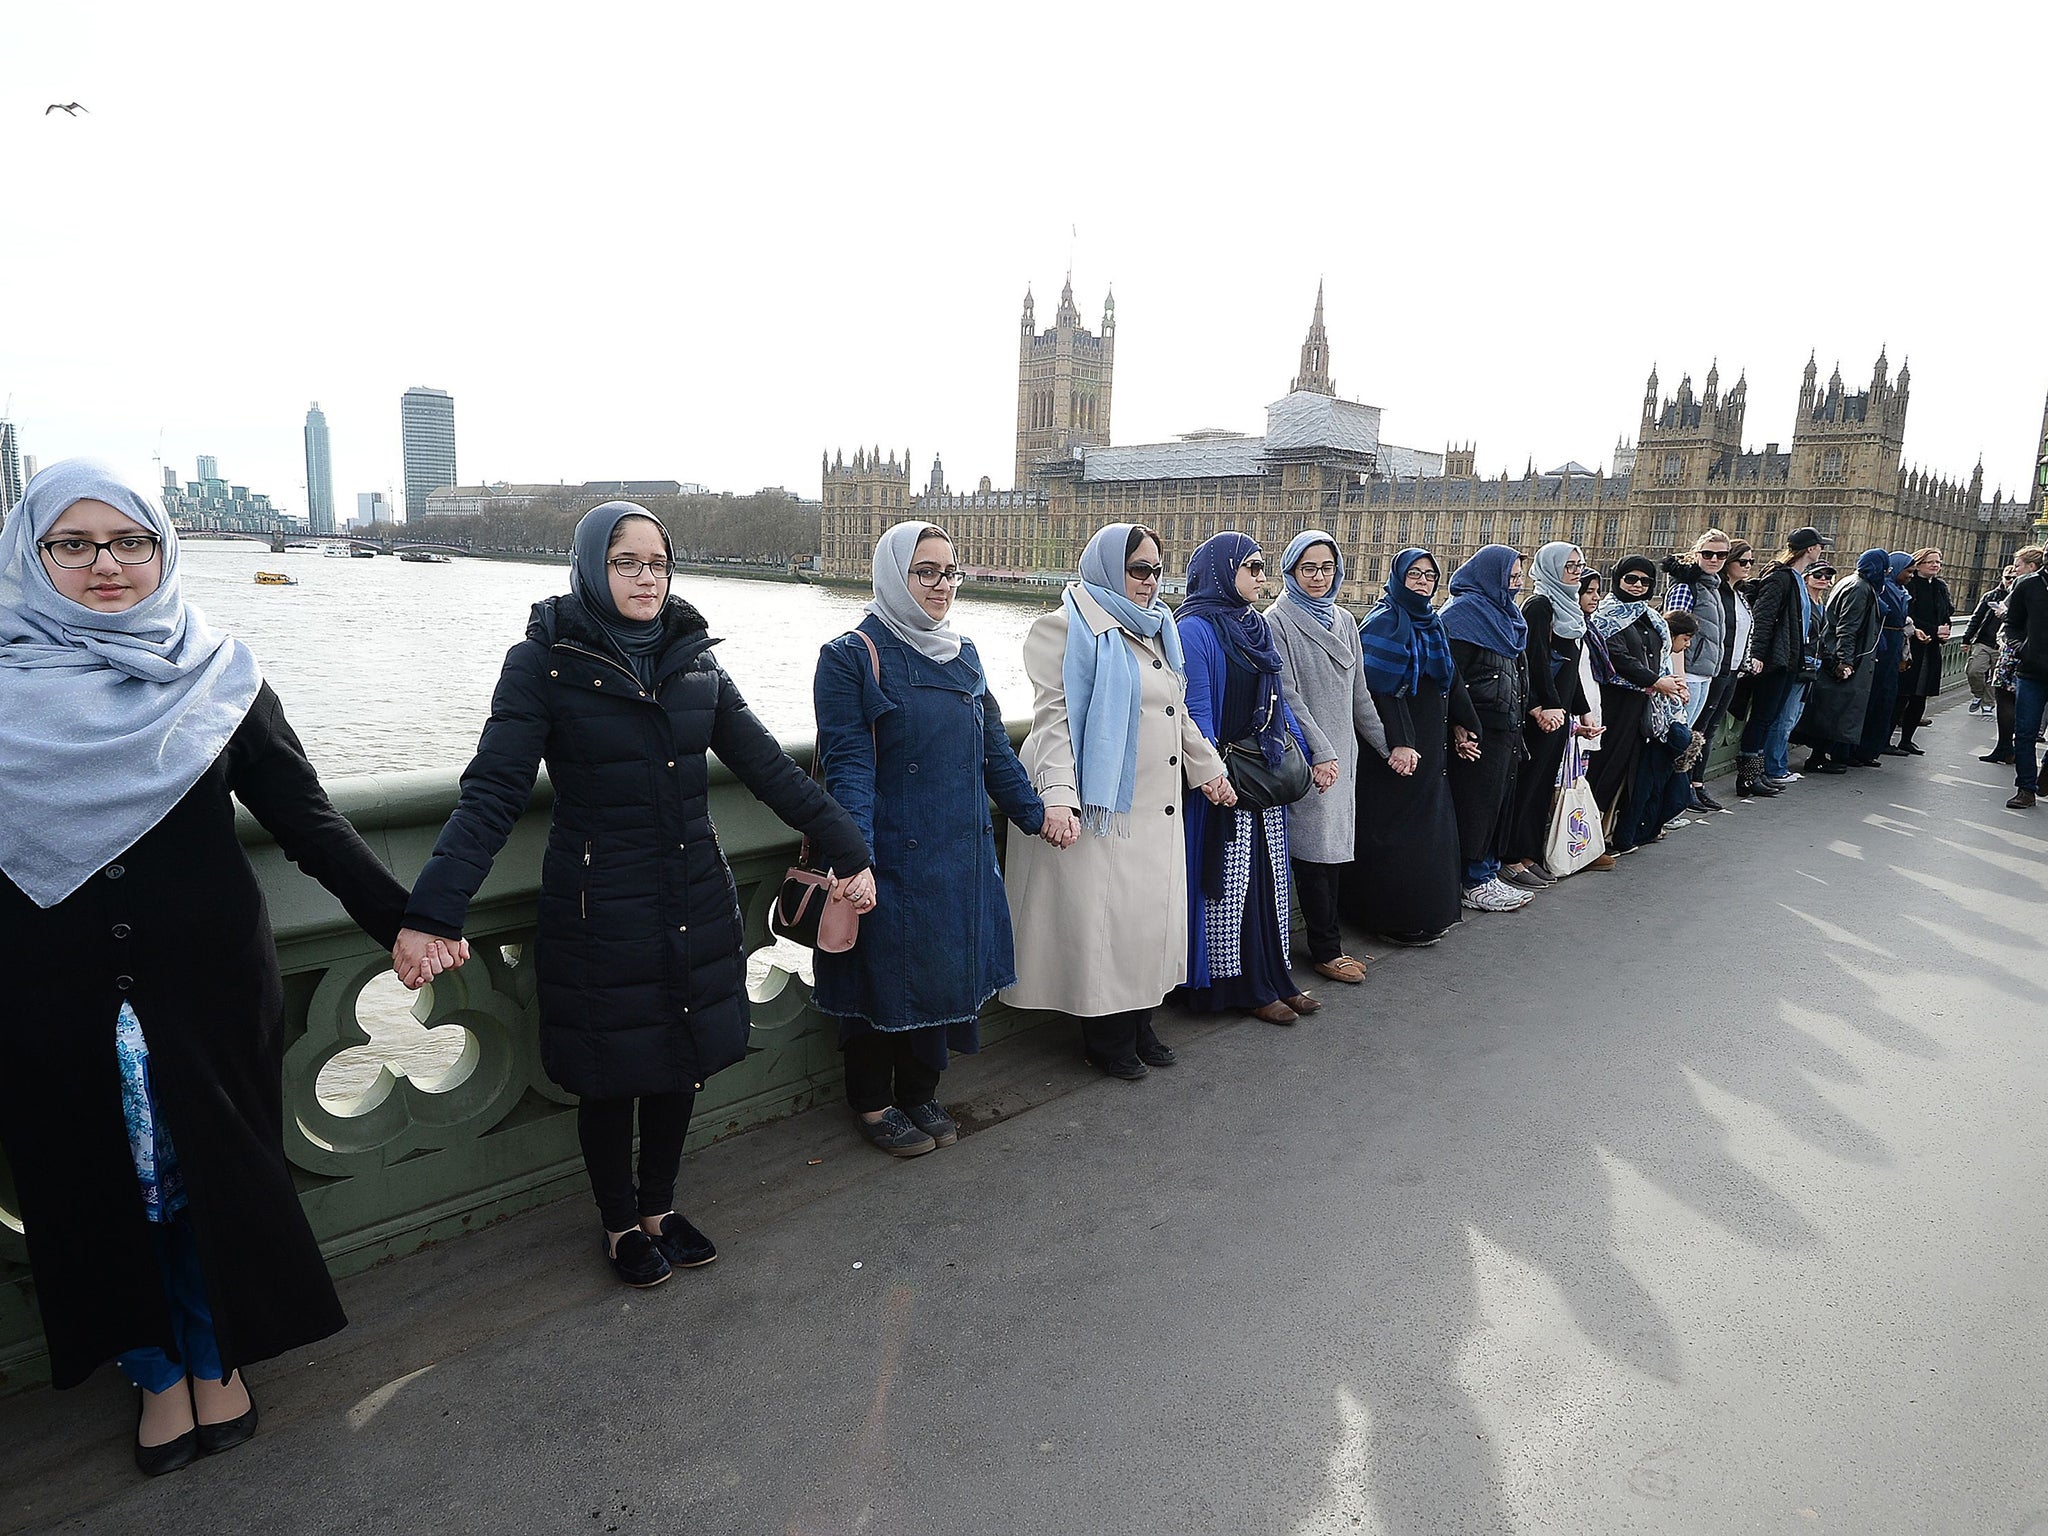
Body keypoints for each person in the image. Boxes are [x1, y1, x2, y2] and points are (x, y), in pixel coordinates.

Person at [0, 460, 429, 1475]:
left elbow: (307, 819)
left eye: (130, 541)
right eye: (75, 543)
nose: (108, 565)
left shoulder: (220, 673)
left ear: (163, 548)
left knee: (205, 1178)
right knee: (88, 1187)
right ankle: (153, 1370)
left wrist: (401, 921)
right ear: (31, 554)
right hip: (45, 996)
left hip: (206, 988)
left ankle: (211, 1350)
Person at [399, 502, 871, 1288]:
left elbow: (771, 771)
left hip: (692, 895)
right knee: (613, 1074)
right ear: (591, 565)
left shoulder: (694, 660)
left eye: (658, 562)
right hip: (599, 908)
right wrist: (431, 912)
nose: (647, 577)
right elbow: (491, 795)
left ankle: (661, 1207)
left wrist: (852, 850)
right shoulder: (543, 660)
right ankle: (620, 1224)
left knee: (679, 1062)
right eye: (627, 562)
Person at [812, 522, 1050, 1157]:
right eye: (926, 572)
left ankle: (919, 1090)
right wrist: (854, 857)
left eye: (950, 572)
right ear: (894, 574)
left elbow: (994, 748)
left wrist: (1034, 813)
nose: (942, 585)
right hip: (891, 852)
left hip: (960, 851)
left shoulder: (962, 654)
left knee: (946, 974)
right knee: (880, 984)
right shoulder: (849, 656)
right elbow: (849, 767)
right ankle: (871, 1101)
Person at [1002, 524, 1231, 1077]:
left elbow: (1175, 714)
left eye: (1157, 569)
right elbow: (1052, 721)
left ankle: (1141, 1023)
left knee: (1146, 924)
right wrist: (1058, 797)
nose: (1151, 582)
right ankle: (1106, 1038)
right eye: (1138, 570)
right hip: (1101, 803)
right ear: (1108, 568)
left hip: (1157, 805)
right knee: (1102, 926)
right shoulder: (1061, 630)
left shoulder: (1158, 629)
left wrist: (1209, 769)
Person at [1177, 533, 1320, 1024]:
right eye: (1252, 567)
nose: (1262, 577)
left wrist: (1305, 752)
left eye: (1263, 567)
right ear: (1223, 571)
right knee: (1229, 887)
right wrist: (1214, 777)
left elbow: (1278, 700)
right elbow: (1194, 711)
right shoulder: (1193, 628)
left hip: (1264, 772)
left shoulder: (1255, 625)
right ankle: (1237, 987)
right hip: (1227, 779)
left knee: (1268, 883)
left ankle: (1275, 977)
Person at [1266, 530, 1389, 985]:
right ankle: (1325, 949)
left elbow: (1360, 694)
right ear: (1291, 571)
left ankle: (1328, 941)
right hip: (1309, 754)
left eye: (1327, 567)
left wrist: (1384, 746)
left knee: (1334, 852)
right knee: (1314, 854)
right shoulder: (1277, 621)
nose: (1319, 577)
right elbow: (1288, 696)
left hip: (1344, 754)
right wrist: (1321, 751)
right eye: (1308, 568)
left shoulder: (1343, 620)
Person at [1342, 549, 1478, 945]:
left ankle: (1427, 915)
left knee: (1428, 833)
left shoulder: (1432, 623)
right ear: (1399, 578)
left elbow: (1448, 679)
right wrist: (1399, 743)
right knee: (1394, 835)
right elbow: (1381, 690)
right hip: (1395, 748)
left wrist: (1465, 724)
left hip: (1430, 743)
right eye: (1414, 574)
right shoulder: (1384, 622)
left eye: (1429, 575)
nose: (1422, 581)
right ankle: (1390, 919)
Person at [1439, 545, 1535, 913]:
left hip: (1508, 723)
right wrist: (1460, 725)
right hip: (1480, 726)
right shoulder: (1462, 615)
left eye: (1518, 576)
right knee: (1475, 806)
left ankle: (1488, 871)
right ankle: (1472, 879)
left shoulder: (1506, 615)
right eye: (1510, 577)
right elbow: (1451, 678)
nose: (1517, 583)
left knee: (1498, 803)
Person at [1501, 543, 1602, 883]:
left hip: (1560, 712)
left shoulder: (1569, 605)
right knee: (1528, 786)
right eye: (1569, 565)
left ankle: (1529, 855)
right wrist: (1545, 707)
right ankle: (1511, 857)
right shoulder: (1540, 605)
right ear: (1551, 566)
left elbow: (1571, 666)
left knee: (1543, 786)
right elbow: (1536, 661)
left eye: (1580, 565)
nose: (1576, 571)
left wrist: (1583, 712)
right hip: (1542, 714)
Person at [1585, 555, 1680, 841]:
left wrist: (1671, 683)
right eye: (1631, 579)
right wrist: (1655, 681)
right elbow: (1618, 657)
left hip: (1644, 702)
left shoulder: (1649, 616)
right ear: (1618, 579)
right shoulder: (1607, 614)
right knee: (1606, 766)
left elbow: (1661, 655)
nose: (1638, 585)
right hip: (1615, 702)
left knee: (1630, 769)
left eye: (1645, 581)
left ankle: (1613, 831)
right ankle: (1586, 835)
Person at [1735, 528, 1828, 796]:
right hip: (1775, 660)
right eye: (1820, 546)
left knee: (1771, 717)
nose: (1822, 550)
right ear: (1810, 549)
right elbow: (1763, 619)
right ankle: (1747, 778)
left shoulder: (1796, 578)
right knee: (1762, 718)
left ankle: (1758, 773)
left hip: (1789, 659)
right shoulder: (1780, 578)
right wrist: (1758, 656)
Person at [1662, 530, 1740, 811]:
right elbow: (1673, 634)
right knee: (1680, 739)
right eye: (1708, 554)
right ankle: (1667, 804)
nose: (1715, 559)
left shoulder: (1711, 585)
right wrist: (1679, 678)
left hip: (1706, 672)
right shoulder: (1687, 585)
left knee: (1691, 738)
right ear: (1696, 554)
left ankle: (1677, 801)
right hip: (1690, 675)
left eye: (1721, 555)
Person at [1796, 551, 1886, 775]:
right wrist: (1844, 660)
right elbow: (1847, 627)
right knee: (1834, 709)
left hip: (1843, 654)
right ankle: (1817, 757)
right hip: (1843, 657)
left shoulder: (1854, 583)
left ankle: (1826, 755)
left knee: (1834, 709)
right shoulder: (1859, 588)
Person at [1620, 608, 1697, 849]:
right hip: (1658, 730)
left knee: (1654, 787)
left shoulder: (1663, 653)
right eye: (1685, 639)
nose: (1686, 646)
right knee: (1649, 787)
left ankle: (1642, 831)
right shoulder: (1659, 652)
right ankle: (1632, 834)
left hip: (1662, 728)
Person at [1763, 561, 1834, 786]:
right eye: (1817, 575)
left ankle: (1778, 765)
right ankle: (1775, 768)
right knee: (1784, 719)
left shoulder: (1820, 605)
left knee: (1792, 718)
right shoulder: (1804, 605)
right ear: (1805, 578)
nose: (1823, 578)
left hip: (1812, 667)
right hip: (1800, 665)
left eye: (1827, 575)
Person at [1986, 547, 2046, 767]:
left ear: (2031, 566)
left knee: (2006, 699)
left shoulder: (2026, 585)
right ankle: (2022, 775)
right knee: (2021, 716)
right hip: (2028, 656)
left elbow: (2010, 616)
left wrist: (2003, 613)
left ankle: (2006, 748)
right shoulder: (2031, 585)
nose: (2015, 570)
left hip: (2018, 653)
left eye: (2018, 566)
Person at [1891, 548, 1954, 755]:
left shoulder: (1940, 587)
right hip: (1910, 646)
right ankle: (1886, 739)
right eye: (1931, 562)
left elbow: (1946, 613)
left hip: (1931, 647)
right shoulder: (1909, 585)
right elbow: (1907, 616)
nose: (1936, 565)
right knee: (1902, 694)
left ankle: (1907, 739)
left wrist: (1945, 631)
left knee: (1920, 696)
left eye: (1939, 562)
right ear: (1918, 564)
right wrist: (1934, 630)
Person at [2000, 546, 2048, 810]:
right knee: (2025, 733)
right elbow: (2012, 624)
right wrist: (2021, 648)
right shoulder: (2027, 585)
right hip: (2031, 671)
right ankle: (2026, 788)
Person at [1858, 553, 1914, 763]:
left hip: (1893, 646)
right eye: (1907, 571)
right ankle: (1861, 749)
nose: (1910, 576)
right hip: (1881, 646)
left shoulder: (1899, 589)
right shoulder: (1880, 589)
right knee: (1874, 698)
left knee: (1886, 699)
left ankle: (1873, 748)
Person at [1962, 565, 2016, 716]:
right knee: (1973, 670)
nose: (2010, 581)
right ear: (2002, 578)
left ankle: (1988, 703)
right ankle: (1978, 694)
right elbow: (1976, 618)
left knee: (1995, 677)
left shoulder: (2021, 596)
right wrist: (1967, 638)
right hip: (1984, 641)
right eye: (2007, 577)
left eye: (2014, 578)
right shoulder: (1990, 596)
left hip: (2004, 644)